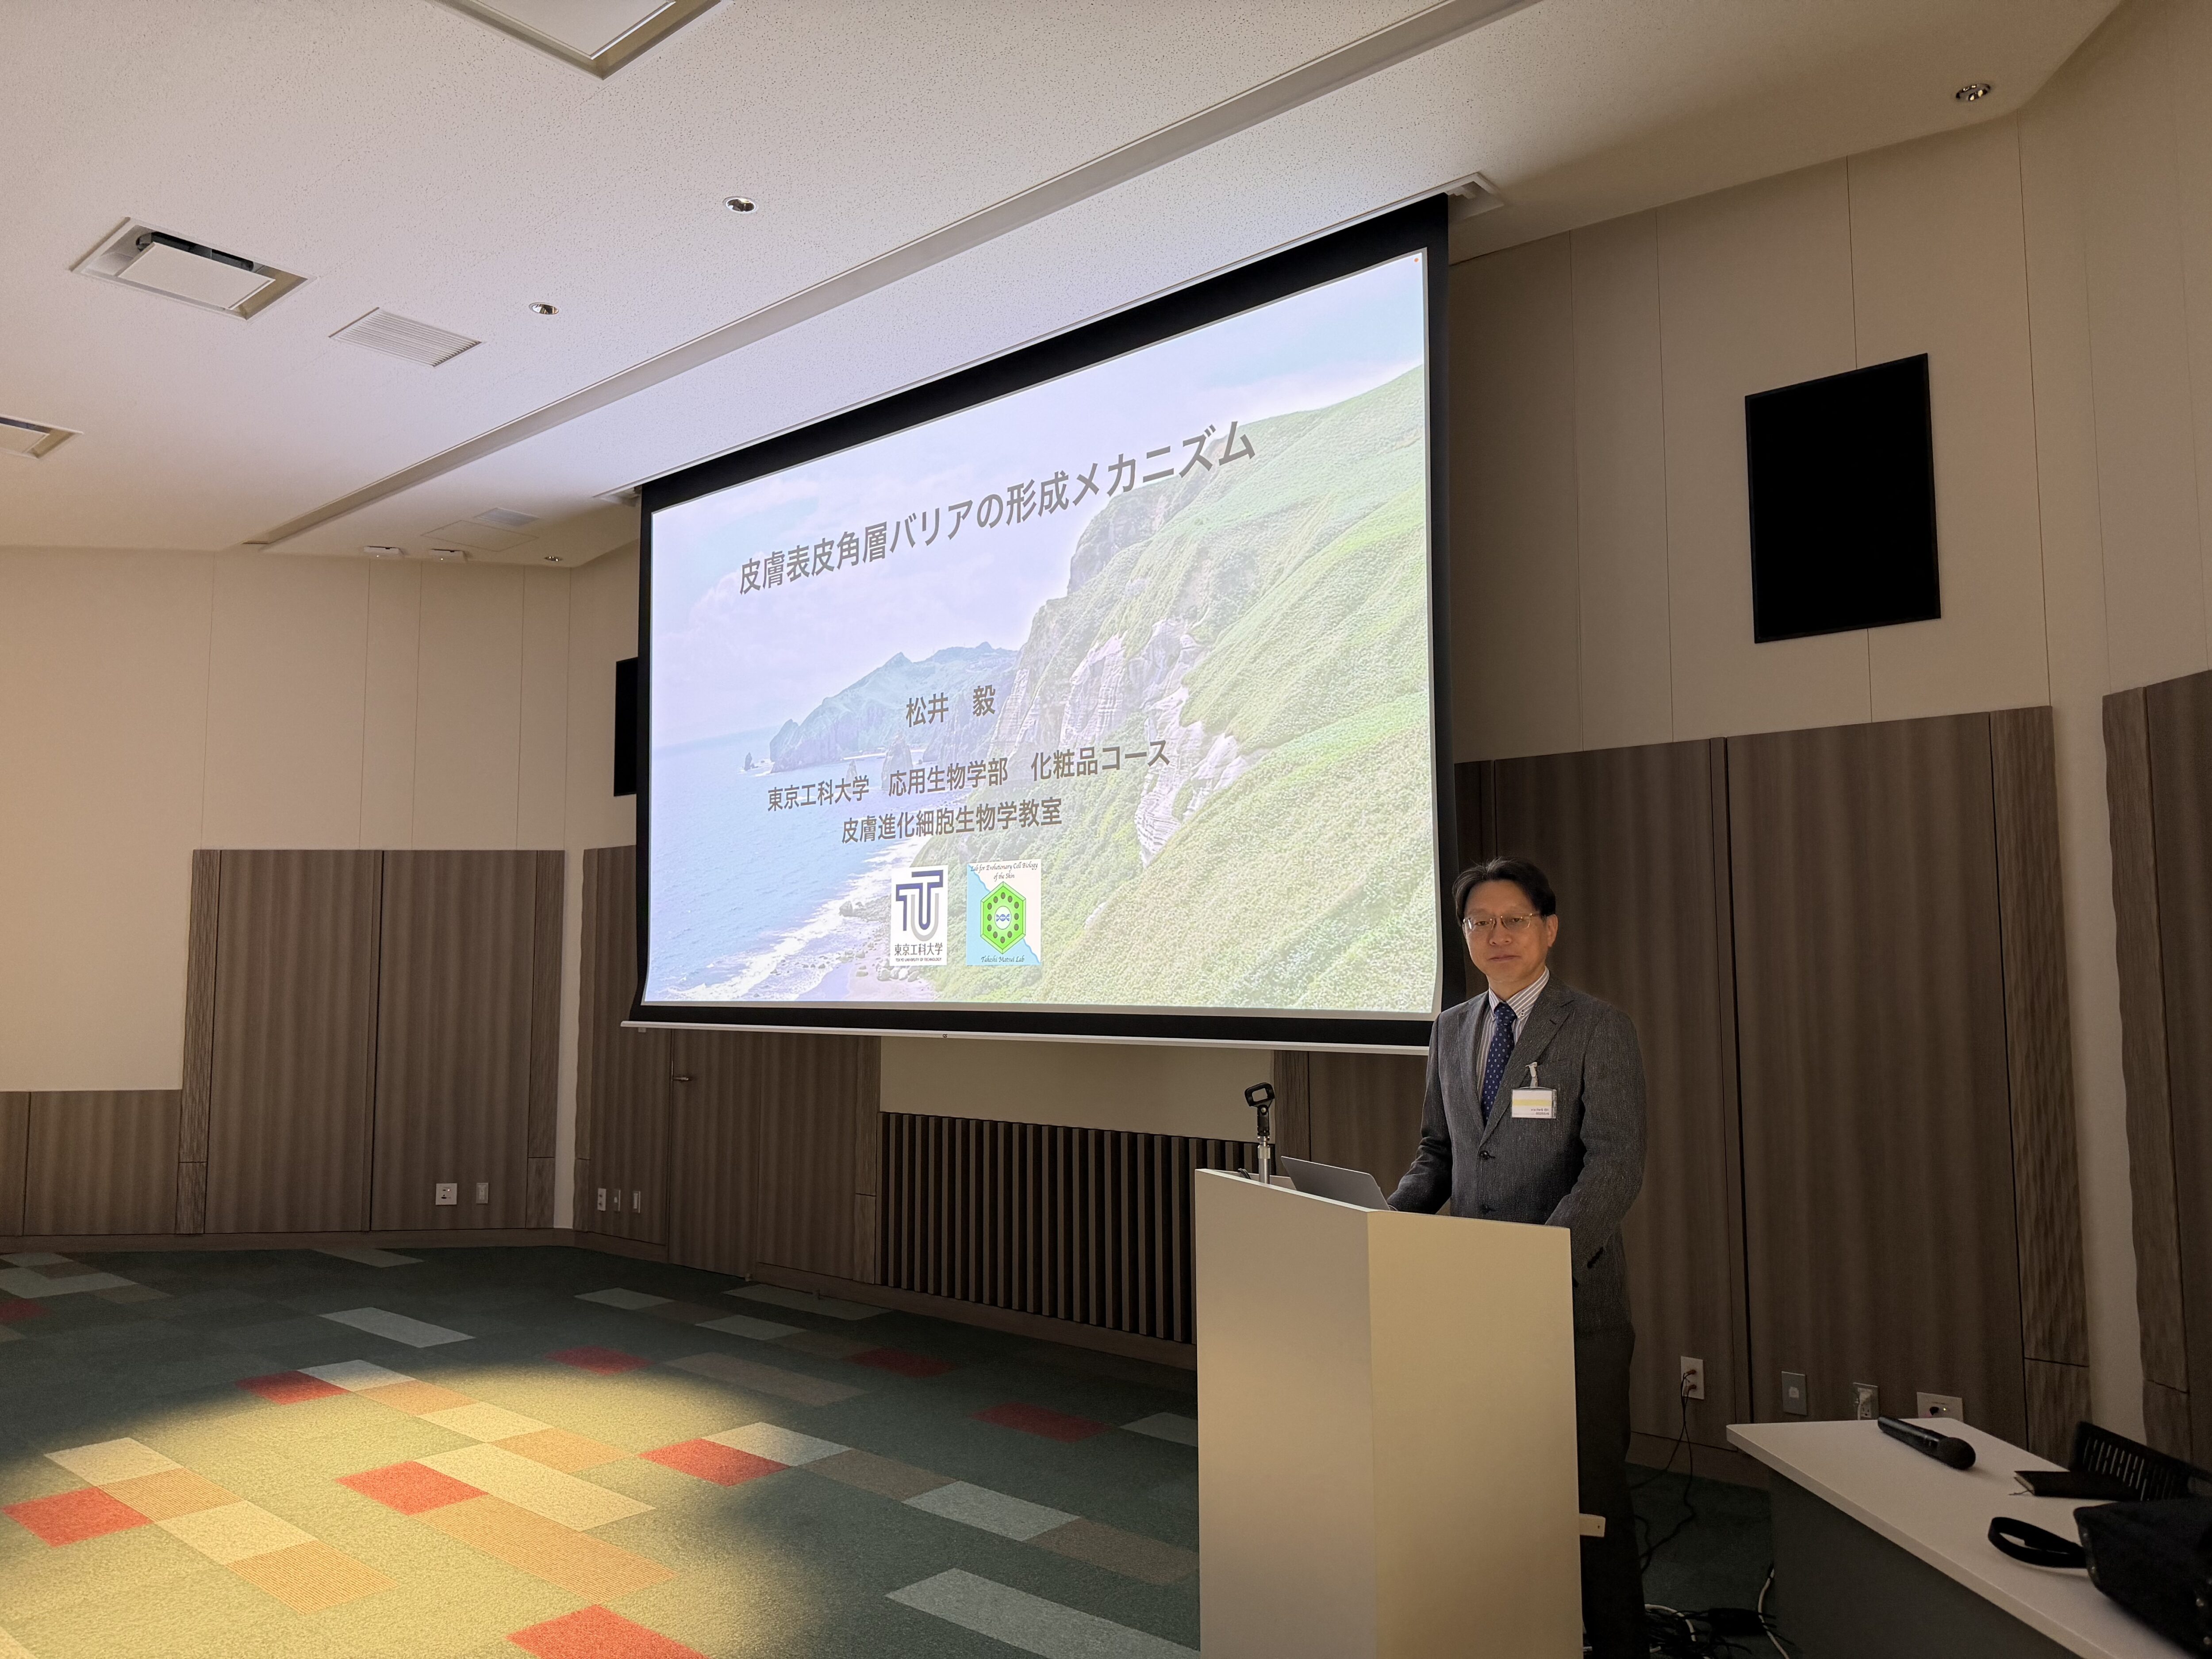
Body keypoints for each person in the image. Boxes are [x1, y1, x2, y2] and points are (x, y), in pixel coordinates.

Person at [1388, 856, 1649, 1659]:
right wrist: (1385, 1223)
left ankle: (1617, 1645)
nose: (1497, 935)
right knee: (1487, 1484)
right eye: (1481, 923)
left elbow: (1614, 1165)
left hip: (1571, 1305)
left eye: (1514, 920)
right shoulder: (1451, 1028)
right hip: (1472, 1303)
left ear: (1549, 929)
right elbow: (1439, 1152)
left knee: (1588, 1492)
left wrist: (1536, 1269)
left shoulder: (1598, 1027)